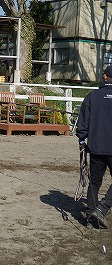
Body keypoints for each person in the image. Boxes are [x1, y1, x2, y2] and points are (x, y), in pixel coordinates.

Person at [76, 65, 112, 229]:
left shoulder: (92, 97)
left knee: (94, 182)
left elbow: (82, 123)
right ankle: (102, 208)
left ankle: (92, 215)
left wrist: (82, 140)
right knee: (95, 182)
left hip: (96, 146)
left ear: (105, 77)